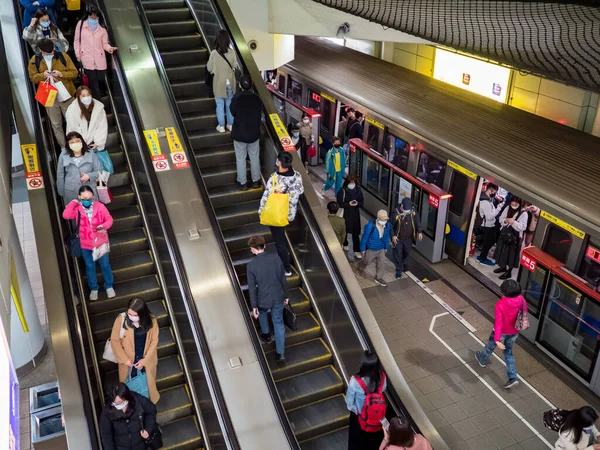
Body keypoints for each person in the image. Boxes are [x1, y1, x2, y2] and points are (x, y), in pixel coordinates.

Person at [62, 185, 115, 300]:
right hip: (85, 244)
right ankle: (94, 288)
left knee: (105, 265)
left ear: (93, 197)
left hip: (101, 242)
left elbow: (109, 219)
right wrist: (73, 203)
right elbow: (66, 215)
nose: (87, 201)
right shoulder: (77, 209)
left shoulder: (100, 207)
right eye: (84, 198)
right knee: (90, 267)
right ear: (79, 196)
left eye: (90, 198)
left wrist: (103, 226)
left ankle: (109, 286)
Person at [475, 279, 528, 389]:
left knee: (490, 346)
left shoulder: (500, 304)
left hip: (502, 332)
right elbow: (524, 313)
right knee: (508, 352)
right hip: (515, 331)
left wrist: (497, 340)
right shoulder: (522, 299)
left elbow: (499, 323)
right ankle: (512, 377)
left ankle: (482, 359)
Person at [258, 151, 304, 276]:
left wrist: (261, 210)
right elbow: (299, 192)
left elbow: (266, 196)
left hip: (276, 214)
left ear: (279, 162)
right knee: (281, 238)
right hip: (289, 214)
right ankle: (288, 259)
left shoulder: (275, 178)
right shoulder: (297, 176)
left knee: (279, 241)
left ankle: (287, 268)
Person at [28, 38, 77, 151]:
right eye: (46, 52)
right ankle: (64, 148)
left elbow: (74, 73)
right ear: (40, 50)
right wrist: (42, 75)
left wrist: (61, 74)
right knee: (56, 124)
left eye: (50, 52)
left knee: (73, 121)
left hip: (66, 94)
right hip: (49, 96)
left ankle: (76, 144)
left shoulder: (63, 56)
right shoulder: (35, 60)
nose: (49, 54)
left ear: (54, 47)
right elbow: (32, 77)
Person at [246, 235, 289, 362]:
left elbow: (252, 287)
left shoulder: (251, 265)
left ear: (253, 249)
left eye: (251, 249)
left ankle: (266, 334)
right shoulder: (276, 258)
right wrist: (286, 296)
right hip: (278, 296)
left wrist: (254, 306)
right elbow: (283, 279)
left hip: (263, 298)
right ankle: (280, 354)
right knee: (278, 323)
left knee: (262, 311)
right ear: (264, 246)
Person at [110, 297, 160, 404]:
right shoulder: (121, 320)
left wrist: (145, 361)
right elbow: (115, 341)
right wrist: (124, 359)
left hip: (145, 360)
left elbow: (154, 342)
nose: (132, 317)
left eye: (135, 315)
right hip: (128, 362)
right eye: (130, 314)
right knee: (129, 386)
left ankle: (146, 404)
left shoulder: (152, 321)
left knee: (147, 385)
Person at [346, 350, 387, 450]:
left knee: (356, 443)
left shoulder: (355, 382)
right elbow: (383, 389)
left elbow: (349, 404)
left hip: (359, 419)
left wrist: (360, 412)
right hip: (377, 417)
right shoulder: (383, 377)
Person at [74, 5, 117, 98]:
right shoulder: (81, 24)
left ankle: (100, 95)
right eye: (91, 16)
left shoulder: (102, 27)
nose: (93, 18)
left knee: (101, 79)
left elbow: (104, 43)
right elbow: (77, 40)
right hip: (86, 57)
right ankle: (98, 102)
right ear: (87, 16)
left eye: (95, 16)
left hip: (99, 57)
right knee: (93, 81)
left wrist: (109, 48)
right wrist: (78, 54)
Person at [99, 383, 158, 450]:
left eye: (120, 402)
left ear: (127, 399)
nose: (117, 405)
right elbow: (106, 436)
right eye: (115, 403)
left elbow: (151, 411)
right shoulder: (107, 411)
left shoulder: (138, 401)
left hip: (140, 445)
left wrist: (148, 429)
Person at [230, 74, 261, 191]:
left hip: (239, 134)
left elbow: (233, 112)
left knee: (240, 158)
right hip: (254, 134)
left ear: (240, 85)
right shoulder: (256, 98)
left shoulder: (236, 98)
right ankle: (256, 181)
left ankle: (242, 182)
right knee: (254, 157)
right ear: (251, 85)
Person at [56, 131, 101, 204]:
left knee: (91, 213)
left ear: (82, 142)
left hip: (89, 191)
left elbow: (99, 171)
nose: (75, 144)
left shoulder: (90, 153)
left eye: (77, 141)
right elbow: (60, 174)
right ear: (68, 144)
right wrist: (61, 192)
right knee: (74, 214)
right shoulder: (63, 155)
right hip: (71, 192)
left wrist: (89, 176)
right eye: (72, 142)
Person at [207, 30, 237, 133]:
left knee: (219, 105)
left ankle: (221, 126)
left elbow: (209, 68)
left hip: (219, 83)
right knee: (229, 104)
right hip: (230, 83)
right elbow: (235, 66)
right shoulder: (232, 52)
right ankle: (230, 125)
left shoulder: (214, 53)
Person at [493, 197, 528, 280]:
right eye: (513, 202)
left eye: (516, 203)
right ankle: (503, 267)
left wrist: (513, 222)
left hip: (515, 237)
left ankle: (509, 271)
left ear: (520, 204)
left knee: (512, 254)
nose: (514, 204)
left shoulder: (524, 213)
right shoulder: (508, 208)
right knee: (502, 251)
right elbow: (501, 218)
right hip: (505, 233)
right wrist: (505, 221)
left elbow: (523, 227)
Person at [66, 85, 108, 151]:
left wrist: (98, 143)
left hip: (94, 144)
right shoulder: (73, 109)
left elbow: (102, 126)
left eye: (88, 95)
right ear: (78, 97)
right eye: (83, 96)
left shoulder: (98, 108)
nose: (87, 97)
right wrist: (81, 144)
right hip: (79, 145)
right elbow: (73, 128)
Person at [357, 210, 392, 287]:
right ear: (378, 218)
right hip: (371, 249)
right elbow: (364, 238)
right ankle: (360, 267)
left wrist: (386, 247)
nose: (385, 221)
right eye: (383, 219)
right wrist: (362, 249)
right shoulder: (370, 226)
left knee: (381, 263)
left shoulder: (387, 226)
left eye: (386, 219)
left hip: (381, 248)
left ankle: (379, 278)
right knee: (367, 261)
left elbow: (386, 237)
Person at [390, 198, 423, 279]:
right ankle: (398, 270)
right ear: (401, 206)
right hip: (398, 238)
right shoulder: (395, 213)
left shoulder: (413, 212)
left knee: (407, 251)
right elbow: (390, 225)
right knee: (398, 253)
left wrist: (420, 231)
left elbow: (417, 222)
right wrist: (393, 235)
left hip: (408, 238)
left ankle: (401, 261)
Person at [476, 183, 504, 266]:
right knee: (488, 242)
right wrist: (499, 208)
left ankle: (482, 257)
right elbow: (489, 216)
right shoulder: (485, 202)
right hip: (487, 225)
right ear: (489, 190)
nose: (494, 194)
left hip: (490, 224)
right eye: (493, 192)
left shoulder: (487, 199)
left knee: (489, 241)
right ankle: (482, 258)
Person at [337, 175, 364, 259]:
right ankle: (345, 243)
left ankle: (357, 250)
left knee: (355, 233)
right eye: (351, 182)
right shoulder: (342, 191)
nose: (352, 184)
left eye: (353, 182)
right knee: (345, 229)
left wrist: (357, 204)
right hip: (346, 213)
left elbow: (361, 202)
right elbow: (339, 203)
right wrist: (348, 204)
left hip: (355, 214)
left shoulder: (358, 190)